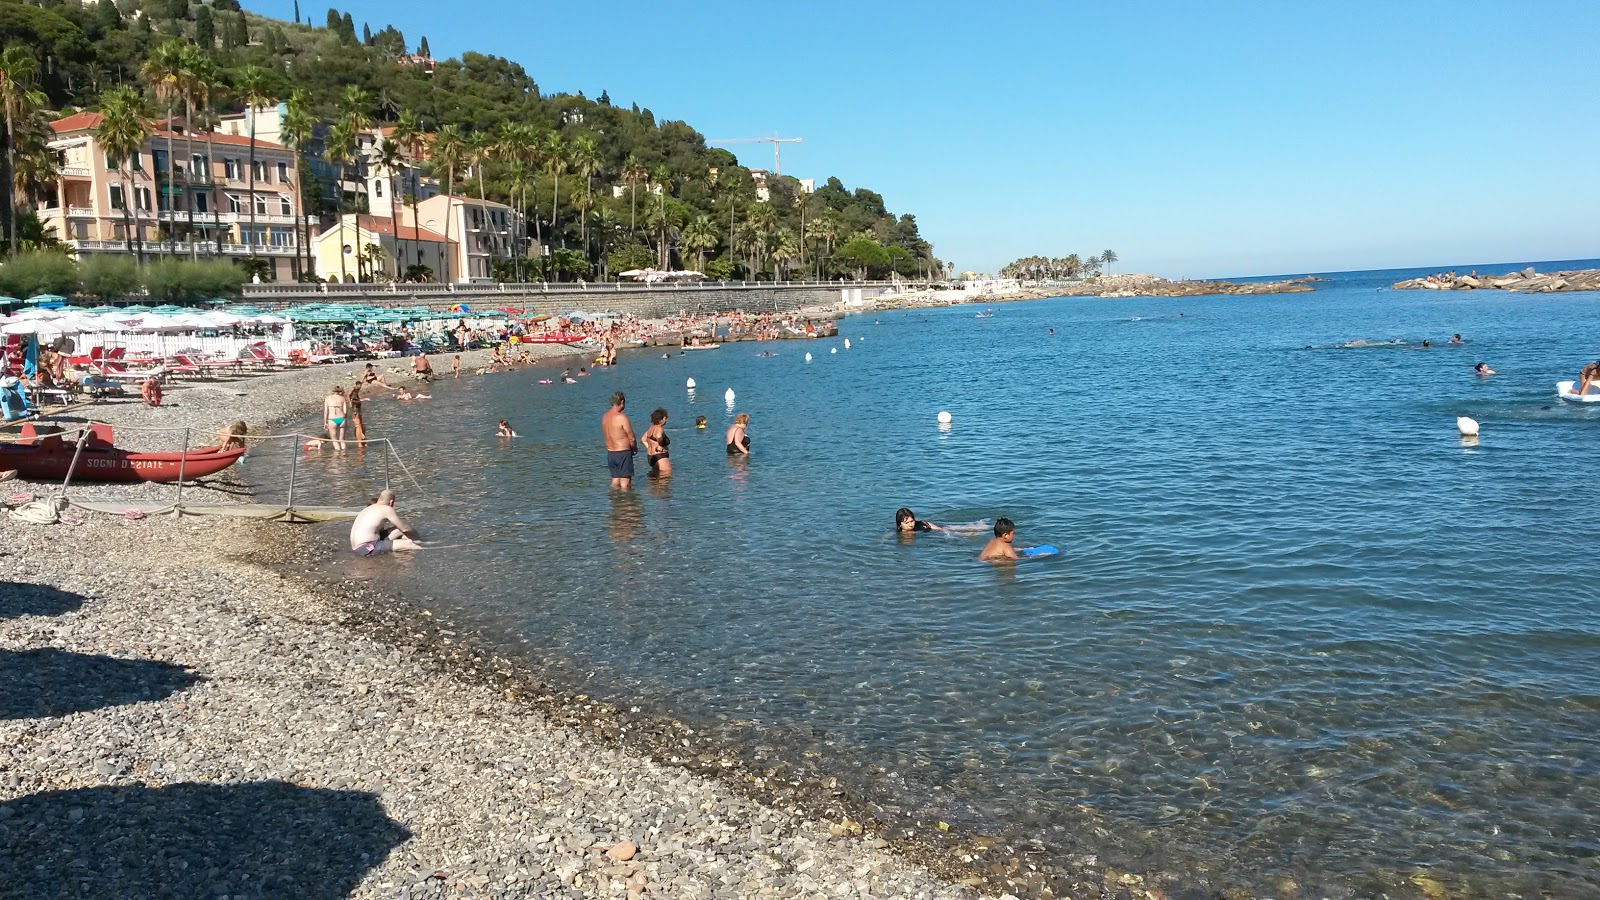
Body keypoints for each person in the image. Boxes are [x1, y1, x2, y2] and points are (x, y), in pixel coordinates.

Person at [350, 489, 422, 555]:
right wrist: (416, 534)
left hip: (357, 547)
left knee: (397, 530)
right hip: (366, 547)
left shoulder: (368, 508)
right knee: (409, 544)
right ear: (391, 502)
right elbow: (404, 529)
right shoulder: (387, 509)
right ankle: (424, 550)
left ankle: (418, 543)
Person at [601, 391, 637, 489]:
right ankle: (626, 502)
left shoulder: (605, 417)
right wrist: (634, 448)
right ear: (621, 402)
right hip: (623, 452)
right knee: (625, 483)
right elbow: (631, 437)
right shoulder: (621, 417)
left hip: (611, 453)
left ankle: (615, 503)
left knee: (615, 482)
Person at [643, 408, 672, 477]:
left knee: (655, 479)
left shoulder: (651, 428)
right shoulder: (659, 428)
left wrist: (649, 447)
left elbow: (643, 439)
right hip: (660, 456)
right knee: (666, 478)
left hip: (651, 456)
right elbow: (659, 436)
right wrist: (660, 445)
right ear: (663, 418)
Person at [323, 385, 349, 450]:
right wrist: (345, 420)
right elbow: (345, 411)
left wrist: (325, 422)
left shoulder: (328, 398)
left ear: (332, 391)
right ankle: (344, 457)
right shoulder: (342, 398)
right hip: (342, 419)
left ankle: (337, 456)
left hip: (332, 419)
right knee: (342, 440)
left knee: (334, 440)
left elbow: (326, 412)